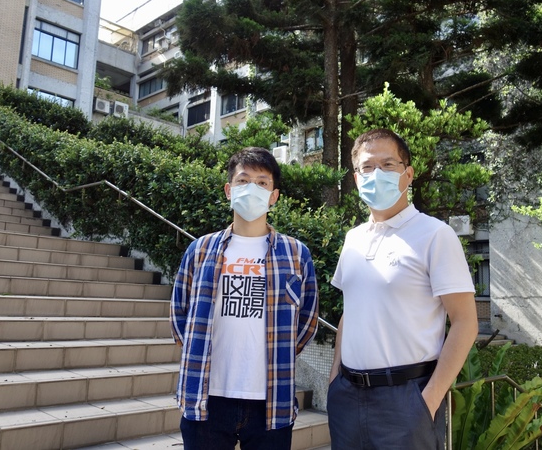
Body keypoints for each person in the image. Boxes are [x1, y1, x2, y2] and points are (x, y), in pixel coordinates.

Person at [327, 128, 479, 449]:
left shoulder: (435, 234)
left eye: (388, 165)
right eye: (367, 167)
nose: (376, 174)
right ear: (356, 179)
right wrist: (333, 379)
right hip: (347, 396)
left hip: (407, 399)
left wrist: (430, 398)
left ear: (408, 175)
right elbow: (349, 313)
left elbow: (465, 322)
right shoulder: (353, 238)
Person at [171, 146, 319, 450]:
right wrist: (197, 351)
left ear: (274, 195)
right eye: (243, 180)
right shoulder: (200, 250)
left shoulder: (295, 254)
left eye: (262, 182)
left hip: (270, 400)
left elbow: (307, 320)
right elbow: (179, 314)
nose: (252, 188)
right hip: (207, 397)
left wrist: (282, 352)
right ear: (228, 190)